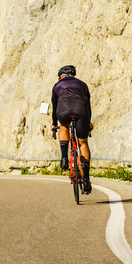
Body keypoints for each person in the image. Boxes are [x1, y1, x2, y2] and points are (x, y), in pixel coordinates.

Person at [50, 65, 93, 194]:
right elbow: (88, 107)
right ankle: (86, 177)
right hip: (82, 110)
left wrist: (53, 124)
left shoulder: (57, 85)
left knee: (63, 126)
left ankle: (64, 157)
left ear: (61, 76)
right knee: (83, 143)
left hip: (64, 109)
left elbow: (54, 107)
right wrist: (88, 122)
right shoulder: (83, 85)